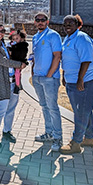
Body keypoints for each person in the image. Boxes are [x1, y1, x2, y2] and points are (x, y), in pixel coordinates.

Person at [59, 14, 93, 154]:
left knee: (82, 112)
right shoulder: (68, 38)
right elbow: (67, 59)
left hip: (88, 80)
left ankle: (76, 143)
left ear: (78, 24)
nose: (67, 26)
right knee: (83, 110)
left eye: (70, 23)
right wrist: (65, 75)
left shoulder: (81, 38)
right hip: (72, 80)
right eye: (65, 24)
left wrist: (80, 79)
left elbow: (86, 60)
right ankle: (89, 138)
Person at [0, 24, 26, 147]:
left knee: (11, 108)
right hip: (2, 81)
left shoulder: (4, 44)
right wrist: (19, 64)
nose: (0, 33)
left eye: (3, 31)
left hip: (13, 80)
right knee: (1, 107)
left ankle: (7, 131)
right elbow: (3, 61)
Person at [31, 12, 63, 152]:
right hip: (37, 78)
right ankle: (49, 133)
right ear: (34, 22)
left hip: (49, 79)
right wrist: (33, 74)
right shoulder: (35, 37)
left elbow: (57, 56)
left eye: (43, 20)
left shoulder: (53, 35)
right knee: (44, 106)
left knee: (52, 108)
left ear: (47, 21)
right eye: (37, 20)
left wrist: (49, 75)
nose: (40, 22)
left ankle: (57, 137)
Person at [8, 29, 29, 94]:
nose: (15, 40)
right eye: (13, 39)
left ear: (22, 39)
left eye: (17, 38)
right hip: (14, 61)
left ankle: (18, 85)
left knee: (17, 73)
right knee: (15, 73)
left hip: (19, 61)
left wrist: (12, 51)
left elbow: (19, 54)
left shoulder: (22, 46)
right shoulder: (14, 45)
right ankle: (17, 83)